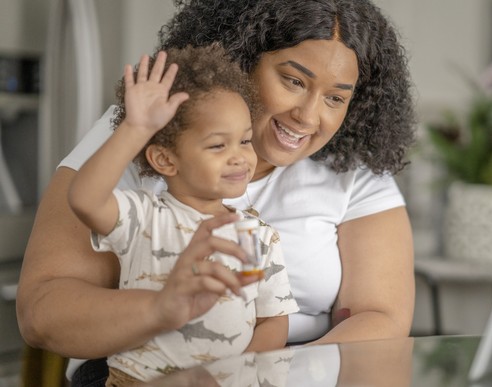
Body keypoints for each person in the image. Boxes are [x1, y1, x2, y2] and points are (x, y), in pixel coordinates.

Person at [17, 0, 416, 384]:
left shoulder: (350, 168)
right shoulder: (151, 128)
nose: (309, 116)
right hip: (142, 369)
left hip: (290, 368)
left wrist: (266, 372)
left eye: (335, 98)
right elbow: (44, 312)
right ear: (241, 61)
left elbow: (381, 317)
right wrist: (160, 310)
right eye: (293, 81)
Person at [67, 44, 299, 385]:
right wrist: (135, 128)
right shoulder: (143, 216)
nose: (239, 157)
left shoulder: (254, 235)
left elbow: (273, 320)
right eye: (218, 145)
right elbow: (85, 199)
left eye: (245, 141)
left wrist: (231, 373)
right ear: (165, 160)